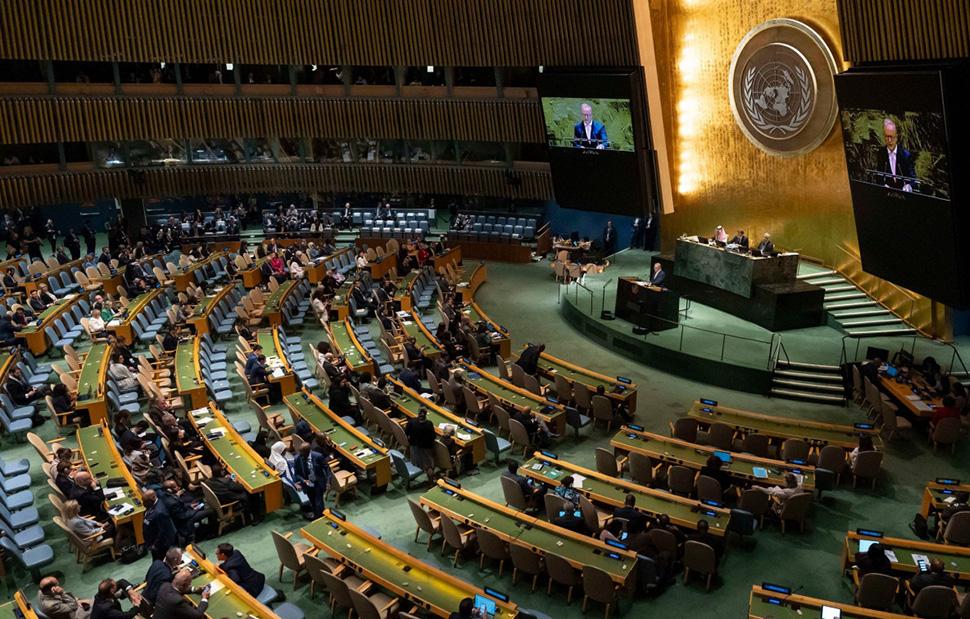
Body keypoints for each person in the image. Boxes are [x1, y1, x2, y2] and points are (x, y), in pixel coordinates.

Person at [292, 444, 331, 518]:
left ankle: (321, 517)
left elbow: (327, 469)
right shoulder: (297, 458)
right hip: (307, 485)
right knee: (313, 502)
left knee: (319, 503)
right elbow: (296, 474)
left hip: (318, 483)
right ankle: (317, 517)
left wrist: (328, 482)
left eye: (302, 452)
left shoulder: (318, 456)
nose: (300, 454)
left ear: (308, 451)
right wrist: (303, 480)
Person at [877, 118, 916, 191]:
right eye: (887, 137)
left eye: (891, 137)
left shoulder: (906, 155)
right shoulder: (881, 153)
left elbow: (913, 179)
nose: (889, 140)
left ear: (896, 137)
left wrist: (909, 186)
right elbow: (879, 177)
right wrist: (883, 185)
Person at [143, 489, 178, 560]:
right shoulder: (151, 505)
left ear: (153, 498)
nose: (143, 503)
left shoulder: (160, 512)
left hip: (161, 545)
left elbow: (162, 532)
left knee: (160, 561)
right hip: (152, 541)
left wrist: (155, 545)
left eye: (145, 501)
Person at [406, 407, 437, 479]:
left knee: (415, 462)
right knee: (429, 466)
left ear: (418, 413)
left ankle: (413, 475)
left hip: (413, 447)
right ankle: (431, 481)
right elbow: (433, 437)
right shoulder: (429, 424)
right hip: (426, 449)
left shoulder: (411, 422)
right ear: (426, 414)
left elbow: (406, 433)